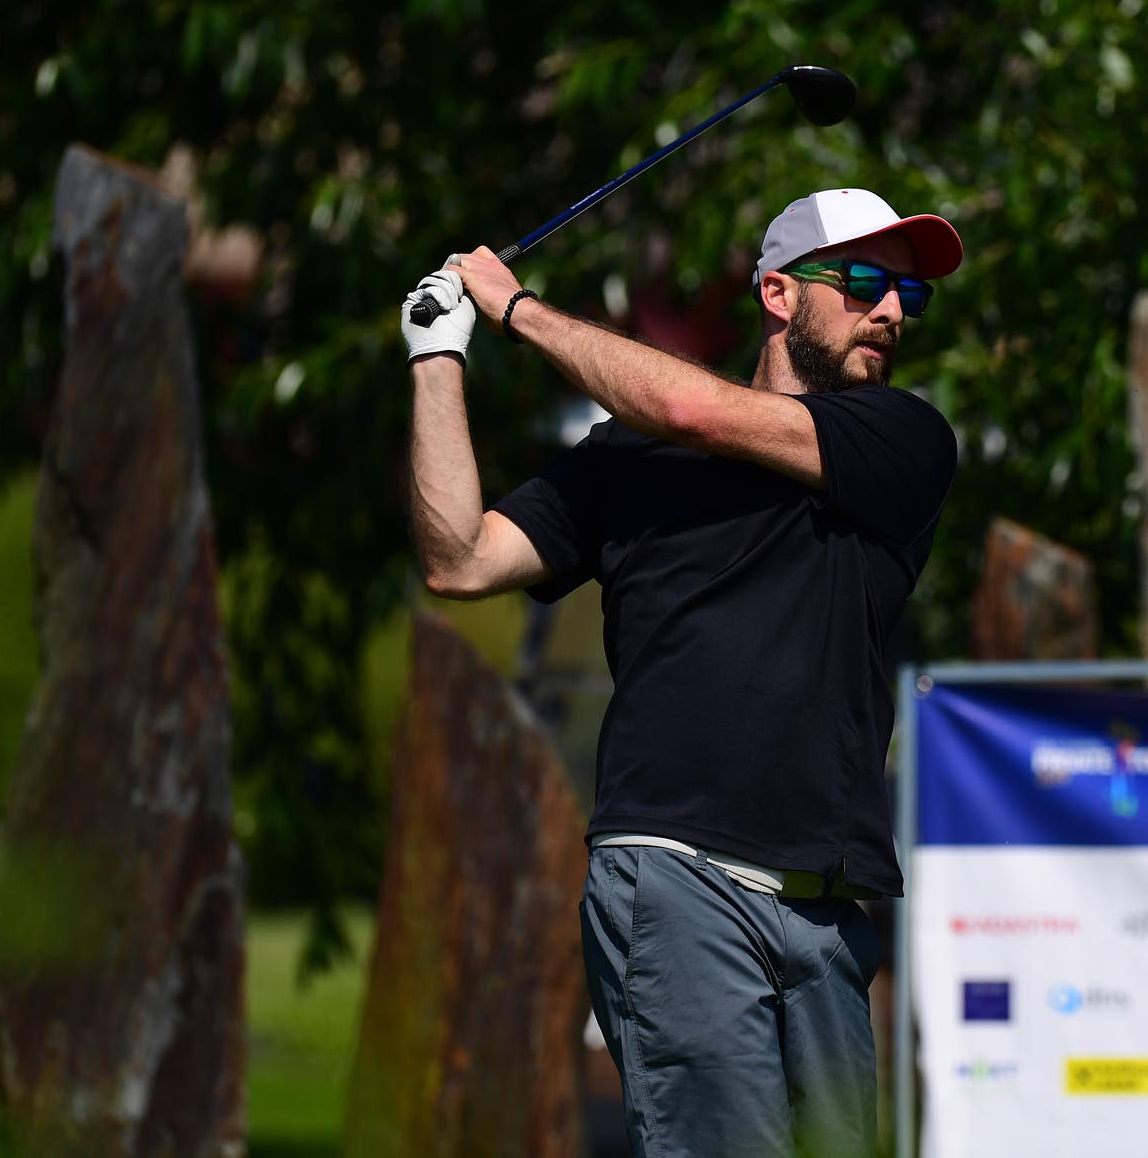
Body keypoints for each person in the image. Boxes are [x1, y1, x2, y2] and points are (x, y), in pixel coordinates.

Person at [400, 188, 962, 1158]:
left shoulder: (899, 441)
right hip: (675, 877)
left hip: (826, 914)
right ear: (779, 295)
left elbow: (686, 403)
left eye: (908, 293)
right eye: (865, 283)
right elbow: (460, 559)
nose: (893, 311)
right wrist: (436, 356)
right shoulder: (629, 460)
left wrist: (518, 309)